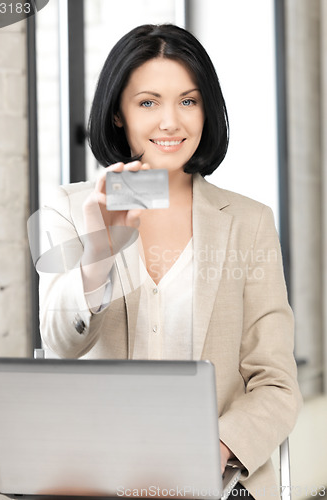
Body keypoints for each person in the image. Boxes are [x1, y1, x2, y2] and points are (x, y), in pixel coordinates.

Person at [37, 24, 302, 500]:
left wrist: (217, 448)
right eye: (147, 102)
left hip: (211, 483)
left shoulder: (249, 221)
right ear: (117, 113)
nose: (170, 122)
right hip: (98, 479)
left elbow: (276, 383)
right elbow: (59, 345)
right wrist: (99, 254)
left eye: (188, 100)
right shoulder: (69, 209)